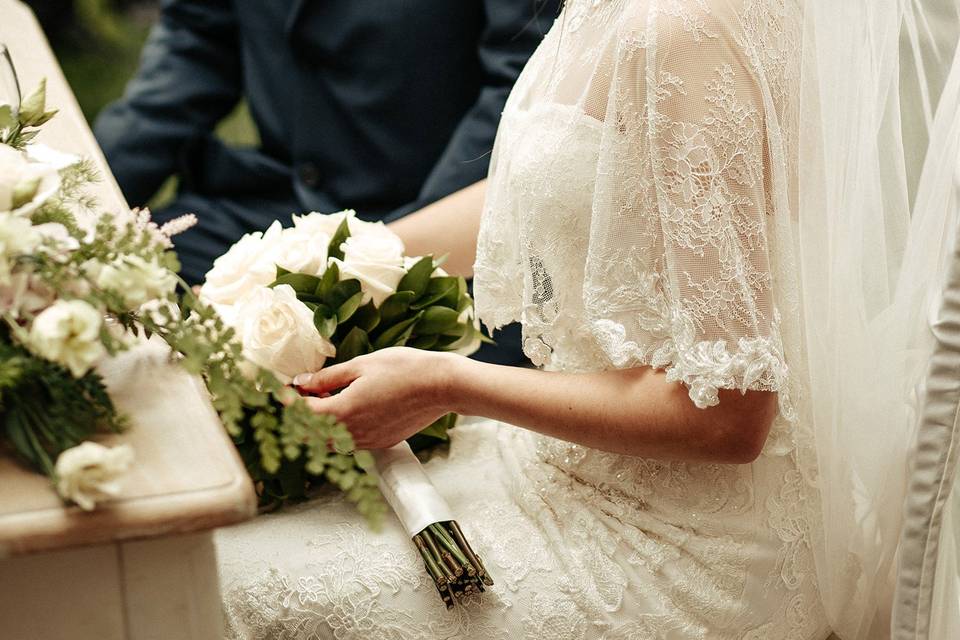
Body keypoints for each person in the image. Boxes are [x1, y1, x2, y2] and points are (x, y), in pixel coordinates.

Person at [214, 0, 958, 638]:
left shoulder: (686, 32)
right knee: (228, 530)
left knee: (234, 580)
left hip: (687, 548)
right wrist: (328, 262)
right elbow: (566, 184)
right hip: (562, 467)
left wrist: (444, 383)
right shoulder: (610, 9)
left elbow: (728, 418)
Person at [94, 0, 559, 364]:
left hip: (456, 239)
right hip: (278, 209)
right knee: (102, 288)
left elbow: (523, 86)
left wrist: (376, 269)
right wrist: (82, 200)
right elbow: (197, 40)